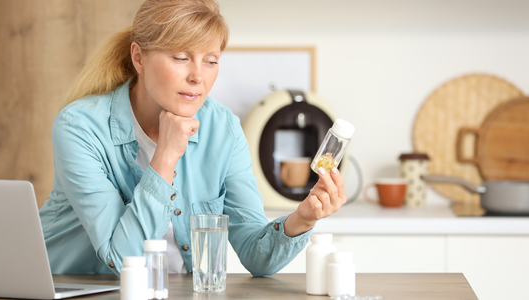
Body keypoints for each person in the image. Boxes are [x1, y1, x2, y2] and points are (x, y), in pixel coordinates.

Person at [39, 0, 347, 276]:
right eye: (181, 57)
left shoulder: (222, 128)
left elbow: (255, 256)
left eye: (211, 61)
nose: (198, 76)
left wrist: (301, 220)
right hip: (72, 290)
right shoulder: (80, 127)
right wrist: (166, 156)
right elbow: (123, 260)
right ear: (139, 58)